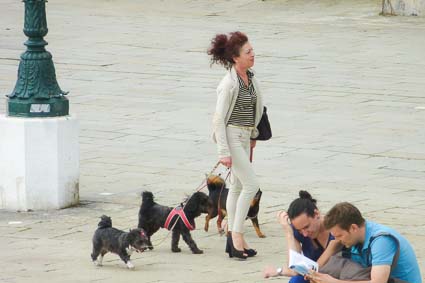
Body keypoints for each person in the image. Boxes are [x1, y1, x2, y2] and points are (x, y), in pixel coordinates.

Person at [208, 31, 263, 259]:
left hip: (244, 136)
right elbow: (218, 119)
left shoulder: (251, 78)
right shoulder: (228, 84)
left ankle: (232, 239)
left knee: (238, 187)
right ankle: (238, 235)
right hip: (231, 137)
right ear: (235, 57)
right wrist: (223, 151)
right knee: (251, 185)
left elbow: (255, 110)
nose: (253, 54)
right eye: (247, 52)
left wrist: (253, 134)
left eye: (252, 50)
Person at [308, 202, 422, 283]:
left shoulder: (382, 241)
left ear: (353, 228)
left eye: (339, 235)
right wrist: (331, 249)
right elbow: (317, 268)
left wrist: (334, 282)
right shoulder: (353, 237)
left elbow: (378, 282)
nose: (337, 240)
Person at [263, 191, 339, 282]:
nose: (305, 234)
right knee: (296, 281)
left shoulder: (336, 229)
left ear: (316, 214)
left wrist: (279, 271)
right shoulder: (298, 231)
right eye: (299, 230)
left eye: (306, 227)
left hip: (338, 275)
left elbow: (314, 270)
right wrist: (289, 233)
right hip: (312, 275)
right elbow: (293, 267)